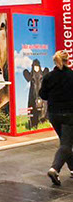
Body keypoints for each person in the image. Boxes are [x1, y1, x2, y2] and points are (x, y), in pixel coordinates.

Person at [39, 50, 73, 186]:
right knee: (66, 144)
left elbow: (43, 95)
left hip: (54, 115)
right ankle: (54, 169)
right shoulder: (71, 76)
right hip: (69, 114)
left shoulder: (48, 77)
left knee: (65, 142)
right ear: (67, 61)